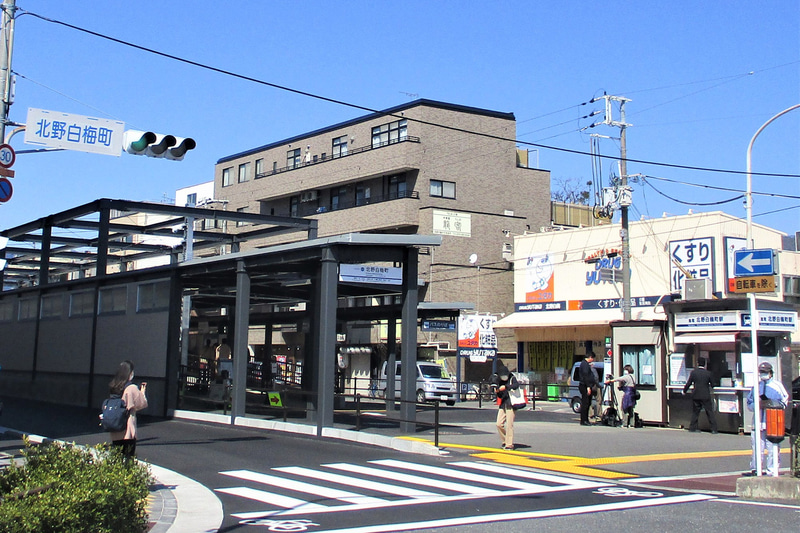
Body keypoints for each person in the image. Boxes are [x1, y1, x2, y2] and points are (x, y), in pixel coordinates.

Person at [745, 362, 789, 476]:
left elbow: (784, 401)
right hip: (758, 422)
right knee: (757, 447)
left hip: (772, 422)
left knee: (772, 448)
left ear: (770, 373)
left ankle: (772, 470)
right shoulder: (756, 386)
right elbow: (749, 404)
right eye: (761, 372)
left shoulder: (777, 386)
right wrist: (757, 405)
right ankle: (756, 468)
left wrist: (773, 404)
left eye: (765, 372)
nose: (762, 375)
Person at [108, 360, 148, 459]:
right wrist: (142, 393)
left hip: (115, 428)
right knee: (128, 458)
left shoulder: (114, 386)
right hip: (127, 430)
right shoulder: (131, 388)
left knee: (117, 458)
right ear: (130, 373)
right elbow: (141, 403)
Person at [682, 356, 718, 434]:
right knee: (709, 412)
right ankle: (714, 429)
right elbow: (713, 385)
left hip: (696, 395)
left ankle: (692, 428)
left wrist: (684, 391)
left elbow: (688, 383)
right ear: (705, 364)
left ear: (697, 363)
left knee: (695, 412)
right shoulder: (708, 373)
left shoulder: (694, 373)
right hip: (705, 395)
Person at [491, 368, 520, 450]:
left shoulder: (512, 377)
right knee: (499, 424)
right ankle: (505, 440)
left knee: (509, 425)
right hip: (503, 403)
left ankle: (509, 444)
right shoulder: (498, 380)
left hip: (511, 403)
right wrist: (498, 391)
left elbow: (516, 385)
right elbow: (500, 395)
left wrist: (506, 387)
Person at [578, 352, 598, 426]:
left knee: (587, 403)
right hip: (585, 386)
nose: (592, 360)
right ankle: (584, 420)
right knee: (585, 403)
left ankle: (585, 419)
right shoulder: (585, 364)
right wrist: (588, 386)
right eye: (592, 358)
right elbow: (585, 376)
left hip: (585, 385)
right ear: (590, 357)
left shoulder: (585, 364)